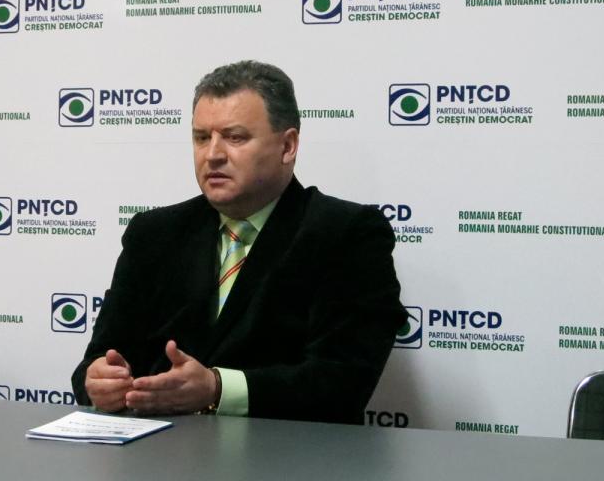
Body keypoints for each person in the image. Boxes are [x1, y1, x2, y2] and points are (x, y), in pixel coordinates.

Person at [71, 60, 405, 425]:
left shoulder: (347, 233)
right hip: (159, 450)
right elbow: (96, 362)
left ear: (287, 146)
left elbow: (344, 381)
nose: (213, 154)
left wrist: (217, 389)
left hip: (289, 452)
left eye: (235, 137)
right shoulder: (153, 234)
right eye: (202, 137)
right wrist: (99, 381)